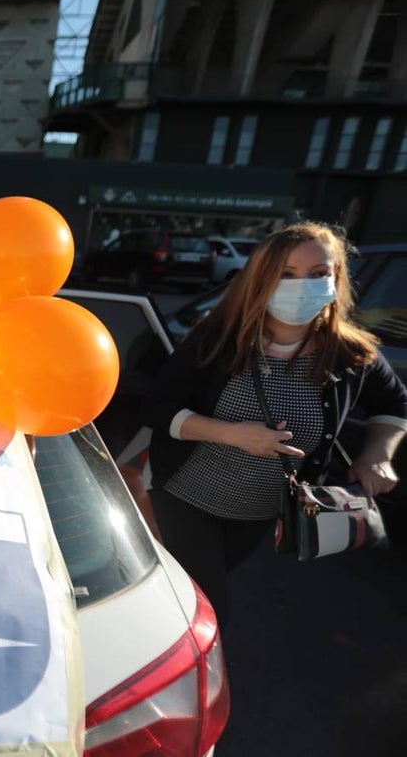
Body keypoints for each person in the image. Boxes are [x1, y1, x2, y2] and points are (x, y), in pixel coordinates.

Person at [144, 222, 407, 621]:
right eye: (287, 274)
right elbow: (159, 408)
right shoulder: (216, 340)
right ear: (262, 279)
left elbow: (394, 403)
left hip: (260, 513)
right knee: (210, 606)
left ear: (337, 279)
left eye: (319, 274)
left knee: (188, 592)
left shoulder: (351, 355)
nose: (303, 286)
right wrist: (233, 435)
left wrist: (378, 455)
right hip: (186, 497)